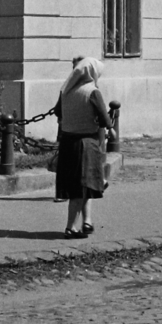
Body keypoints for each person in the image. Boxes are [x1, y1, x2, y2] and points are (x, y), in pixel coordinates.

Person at [54, 55, 112, 239]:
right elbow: (104, 119)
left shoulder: (67, 90)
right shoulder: (92, 92)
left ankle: (86, 222)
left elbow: (57, 111)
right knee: (80, 188)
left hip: (68, 142)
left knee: (82, 186)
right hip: (86, 143)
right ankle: (70, 227)